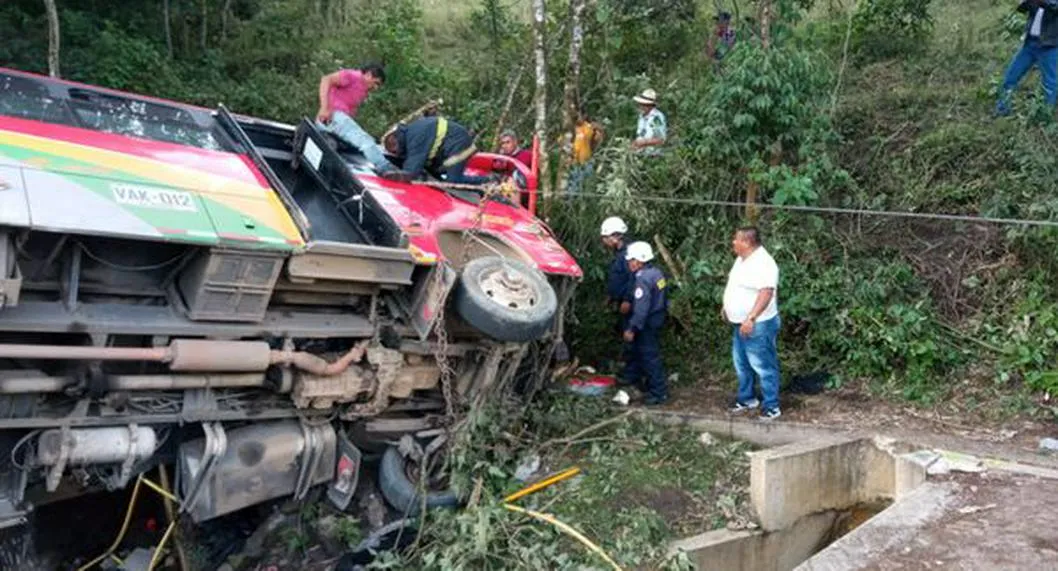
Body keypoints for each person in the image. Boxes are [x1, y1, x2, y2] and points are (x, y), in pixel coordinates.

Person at [723, 226, 782, 420]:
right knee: (741, 363)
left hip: (758, 324)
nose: (733, 242)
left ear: (746, 242)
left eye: (736, 239)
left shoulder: (764, 263)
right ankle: (747, 398)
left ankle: (771, 406)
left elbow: (766, 293)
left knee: (763, 365)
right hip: (740, 323)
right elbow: (737, 285)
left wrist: (751, 317)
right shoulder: (742, 259)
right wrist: (727, 306)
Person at [315, 63, 393, 171]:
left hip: (333, 121)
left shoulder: (363, 90)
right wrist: (324, 108)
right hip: (335, 116)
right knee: (365, 140)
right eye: (376, 83)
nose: (375, 88)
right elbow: (326, 80)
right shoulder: (352, 76)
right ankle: (385, 167)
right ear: (369, 74)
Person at [622, 241, 669, 405]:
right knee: (649, 355)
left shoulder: (642, 279)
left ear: (639, 260)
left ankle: (658, 393)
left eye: (631, 260)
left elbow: (641, 308)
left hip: (647, 323)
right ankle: (649, 387)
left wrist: (632, 328)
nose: (629, 263)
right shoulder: (657, 274)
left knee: (649, 357)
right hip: (657, 318)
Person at [381, 116, 491, 185]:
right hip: (449, 145)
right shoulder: (410, 132)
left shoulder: (415, 140)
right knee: (433, 171)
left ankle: (487, 181)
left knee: (453, 180)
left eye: (396, 152)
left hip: (460, 144)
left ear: (396, 144)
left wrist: (393, 174)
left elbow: (410, 171)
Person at [995, 1, 1058, 117]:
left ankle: (1045, 115)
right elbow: (1022, 9)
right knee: (1011, 76)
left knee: (1050, 83)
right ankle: (1002, 109)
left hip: (1049, 46)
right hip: (1030, 44)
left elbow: (1054, 6)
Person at [567, 108, 605, 197]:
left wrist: (598, 129)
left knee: (586, 188)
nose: (577, 118)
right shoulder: (570, 129)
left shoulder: (588, 127)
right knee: (572, 189)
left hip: (586, 162)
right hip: (573, 163)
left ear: (584, 116)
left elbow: (599, 136)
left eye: (579, 116)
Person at [631, 89, 667, 155]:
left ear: (650, 105)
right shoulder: (641, 116)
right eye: (640, 104)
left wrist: (644, 142)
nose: (640, 106)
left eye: (643, 104)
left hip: (653, 156)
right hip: (640, 154)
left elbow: (661, 140)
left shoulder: (656, 118)